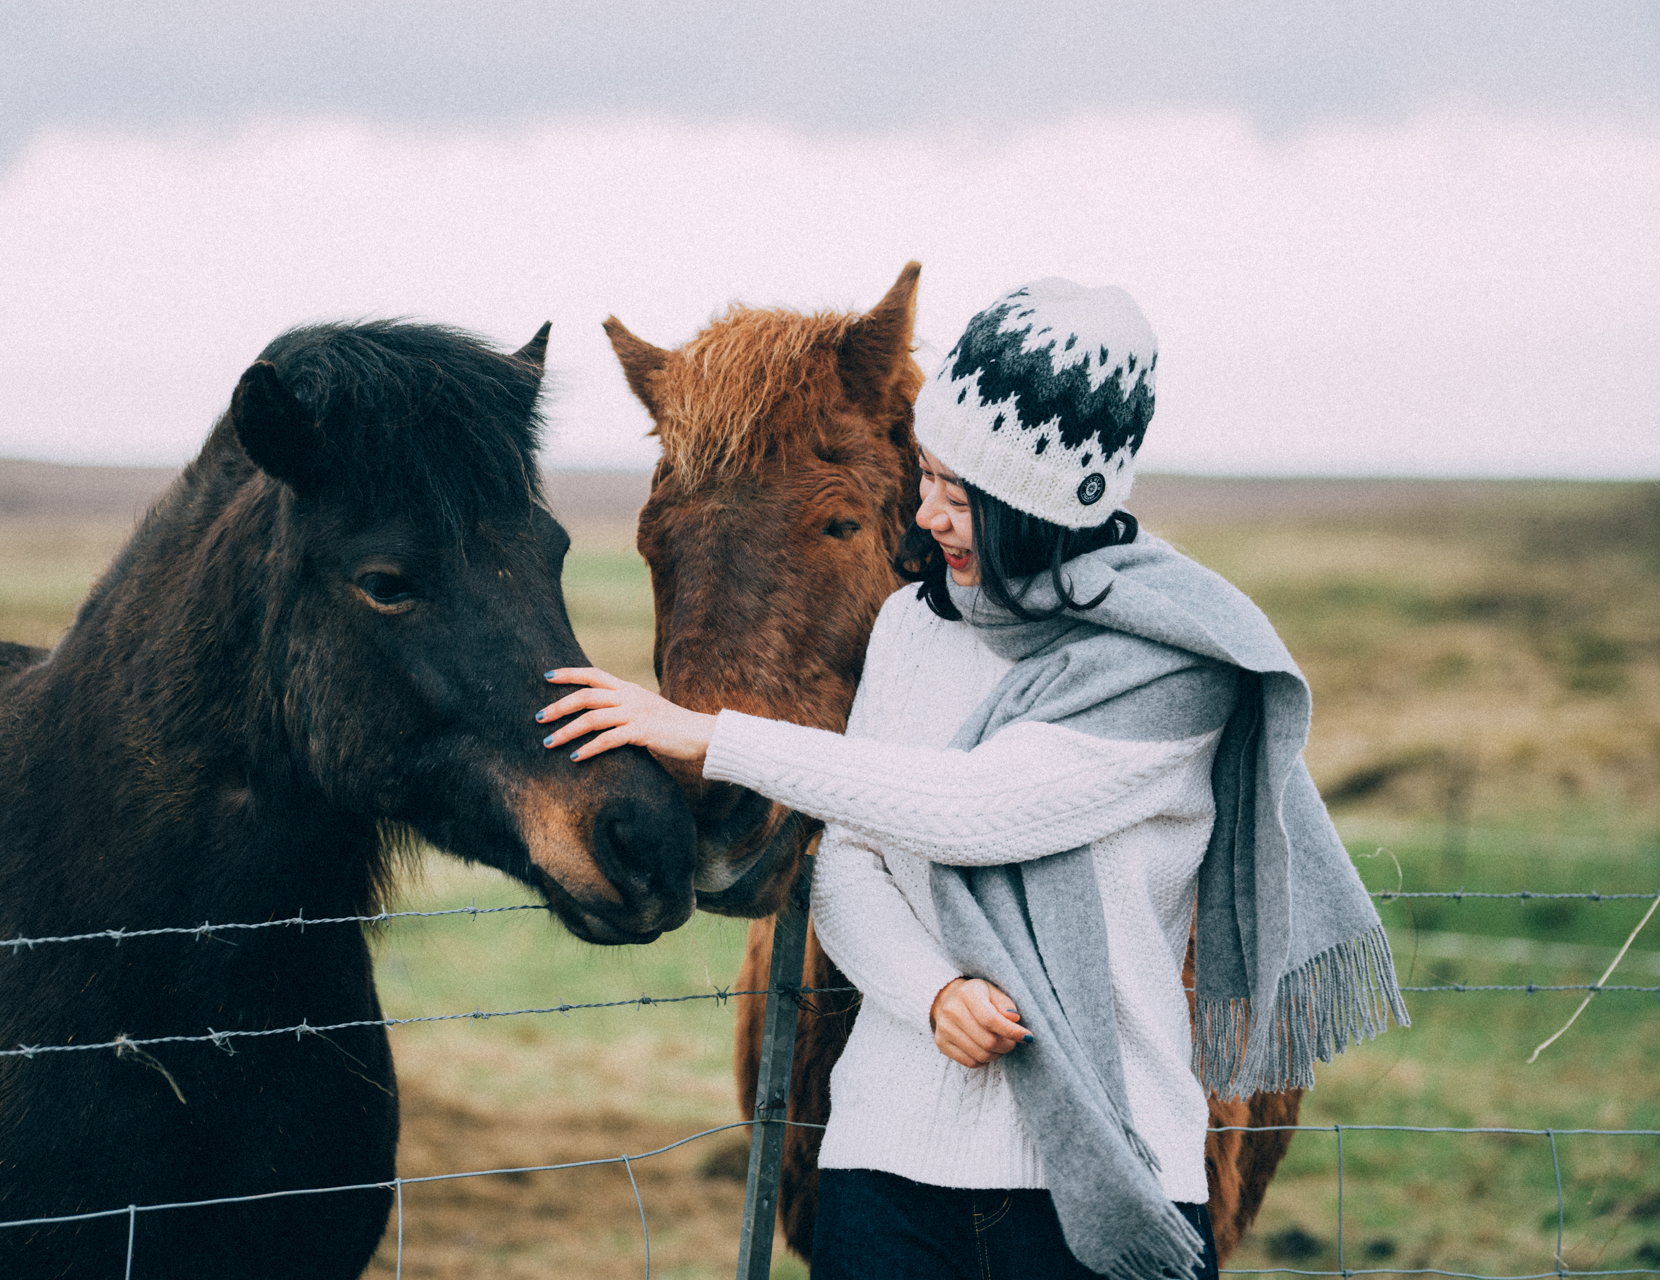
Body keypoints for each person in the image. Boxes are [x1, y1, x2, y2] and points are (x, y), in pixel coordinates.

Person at [536, 279, 1407, 1280]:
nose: (928, 513)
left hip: (1112, 1184)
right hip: (884, 1170)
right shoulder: (917, 620)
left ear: (1047, 503)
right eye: (926, 475)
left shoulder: (1176, 664)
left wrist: (717, 739)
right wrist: (932, 987)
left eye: (963, 492)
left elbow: (983, 807)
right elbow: (852, 864)